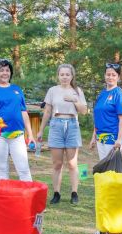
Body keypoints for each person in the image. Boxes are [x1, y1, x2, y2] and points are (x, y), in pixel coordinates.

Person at [37, 64, 87, 205]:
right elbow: (47, 111)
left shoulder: (77, 90)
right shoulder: (52, 90)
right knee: (57, 163)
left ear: (72, 76)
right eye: (62, 74)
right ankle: (56, 193)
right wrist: (41, 130)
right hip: (56, 124)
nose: (65, 77)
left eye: (67, 74)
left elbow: (84, 111)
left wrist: (74, 100)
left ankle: (74, 193)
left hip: (72, 124)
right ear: (58, 76)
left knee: (72, 163)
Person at [0, 59, 36, 181]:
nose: (5, 73)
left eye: (7, 70)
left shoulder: (17, 89)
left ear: (10, 73)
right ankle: (4, 198)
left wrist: (30, 134)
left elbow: (24, 112)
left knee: (23, 168)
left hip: (18, 134)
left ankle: (28, 198)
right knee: (1, 168)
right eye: (1, 70)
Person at [89, 62, 122, 160]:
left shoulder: (120, 95)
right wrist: (93, 137)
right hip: (100, 138)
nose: (110, 77)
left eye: (113, 75)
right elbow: (98, 118)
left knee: (111, 171)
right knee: (104, 170)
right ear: (104, 76)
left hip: (113, 139)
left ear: (118, 77)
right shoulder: (102, 94)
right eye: (108, 74)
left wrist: (119, 140)